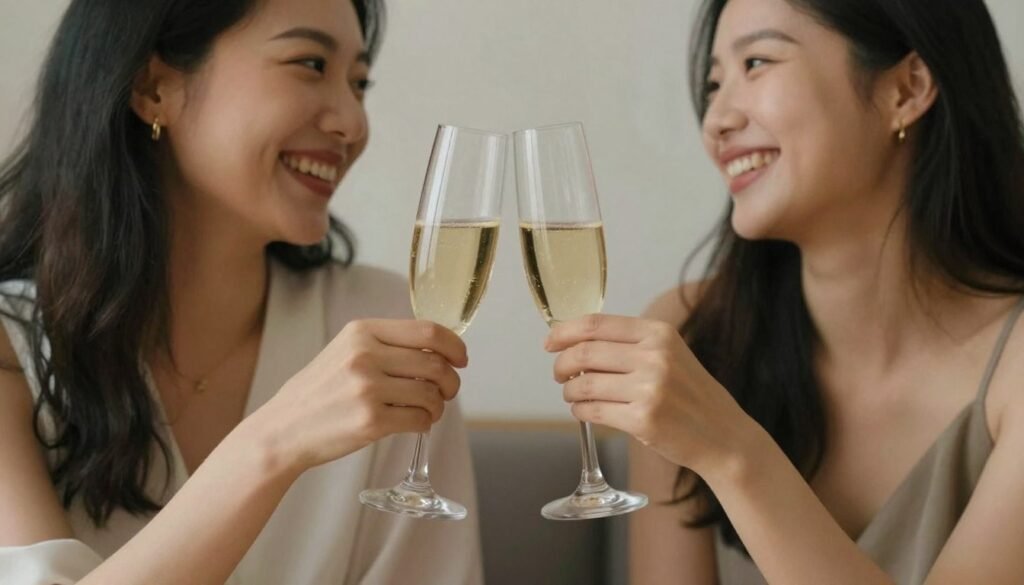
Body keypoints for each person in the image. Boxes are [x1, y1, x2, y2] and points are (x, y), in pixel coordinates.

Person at [0, 0, 482, 583]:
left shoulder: (387, 327)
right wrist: (274, 443)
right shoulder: (13, 350)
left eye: (358, 83)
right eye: (310, 64)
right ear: (154, 88)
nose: (353, 124)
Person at [542, 0, 1024, 583]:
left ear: (907, 89)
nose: (716, 119)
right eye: (714, 82)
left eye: (758, 62)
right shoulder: (693, 336)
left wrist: (734, 452)